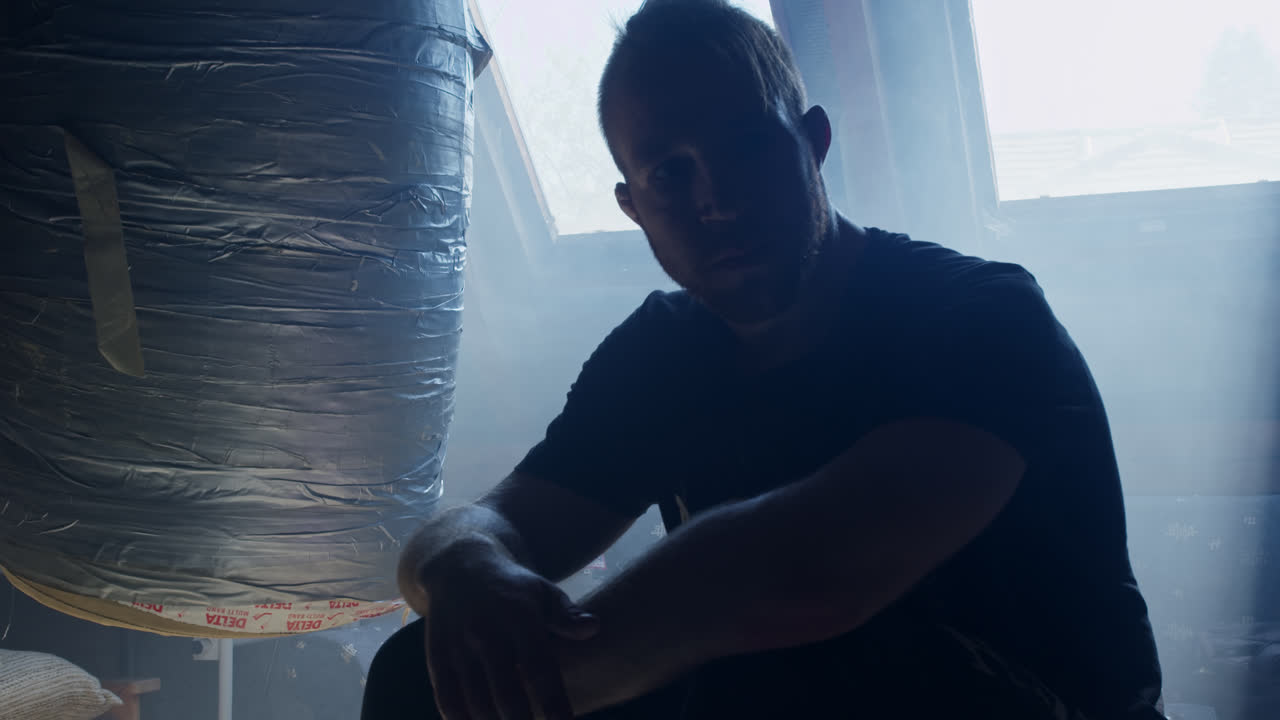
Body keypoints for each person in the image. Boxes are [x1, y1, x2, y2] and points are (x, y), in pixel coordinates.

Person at [361, 1, 1164, 718]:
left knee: (777, 664)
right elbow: (492, 523)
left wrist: (521, 686)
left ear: (813, 143)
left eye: (745, 147)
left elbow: (804, 576)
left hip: (1045, 700)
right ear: (632, 206)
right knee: (418, 670)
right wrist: (465, 568)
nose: (718, 199)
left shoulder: (978, 315)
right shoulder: (664, 350)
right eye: (670, 175)